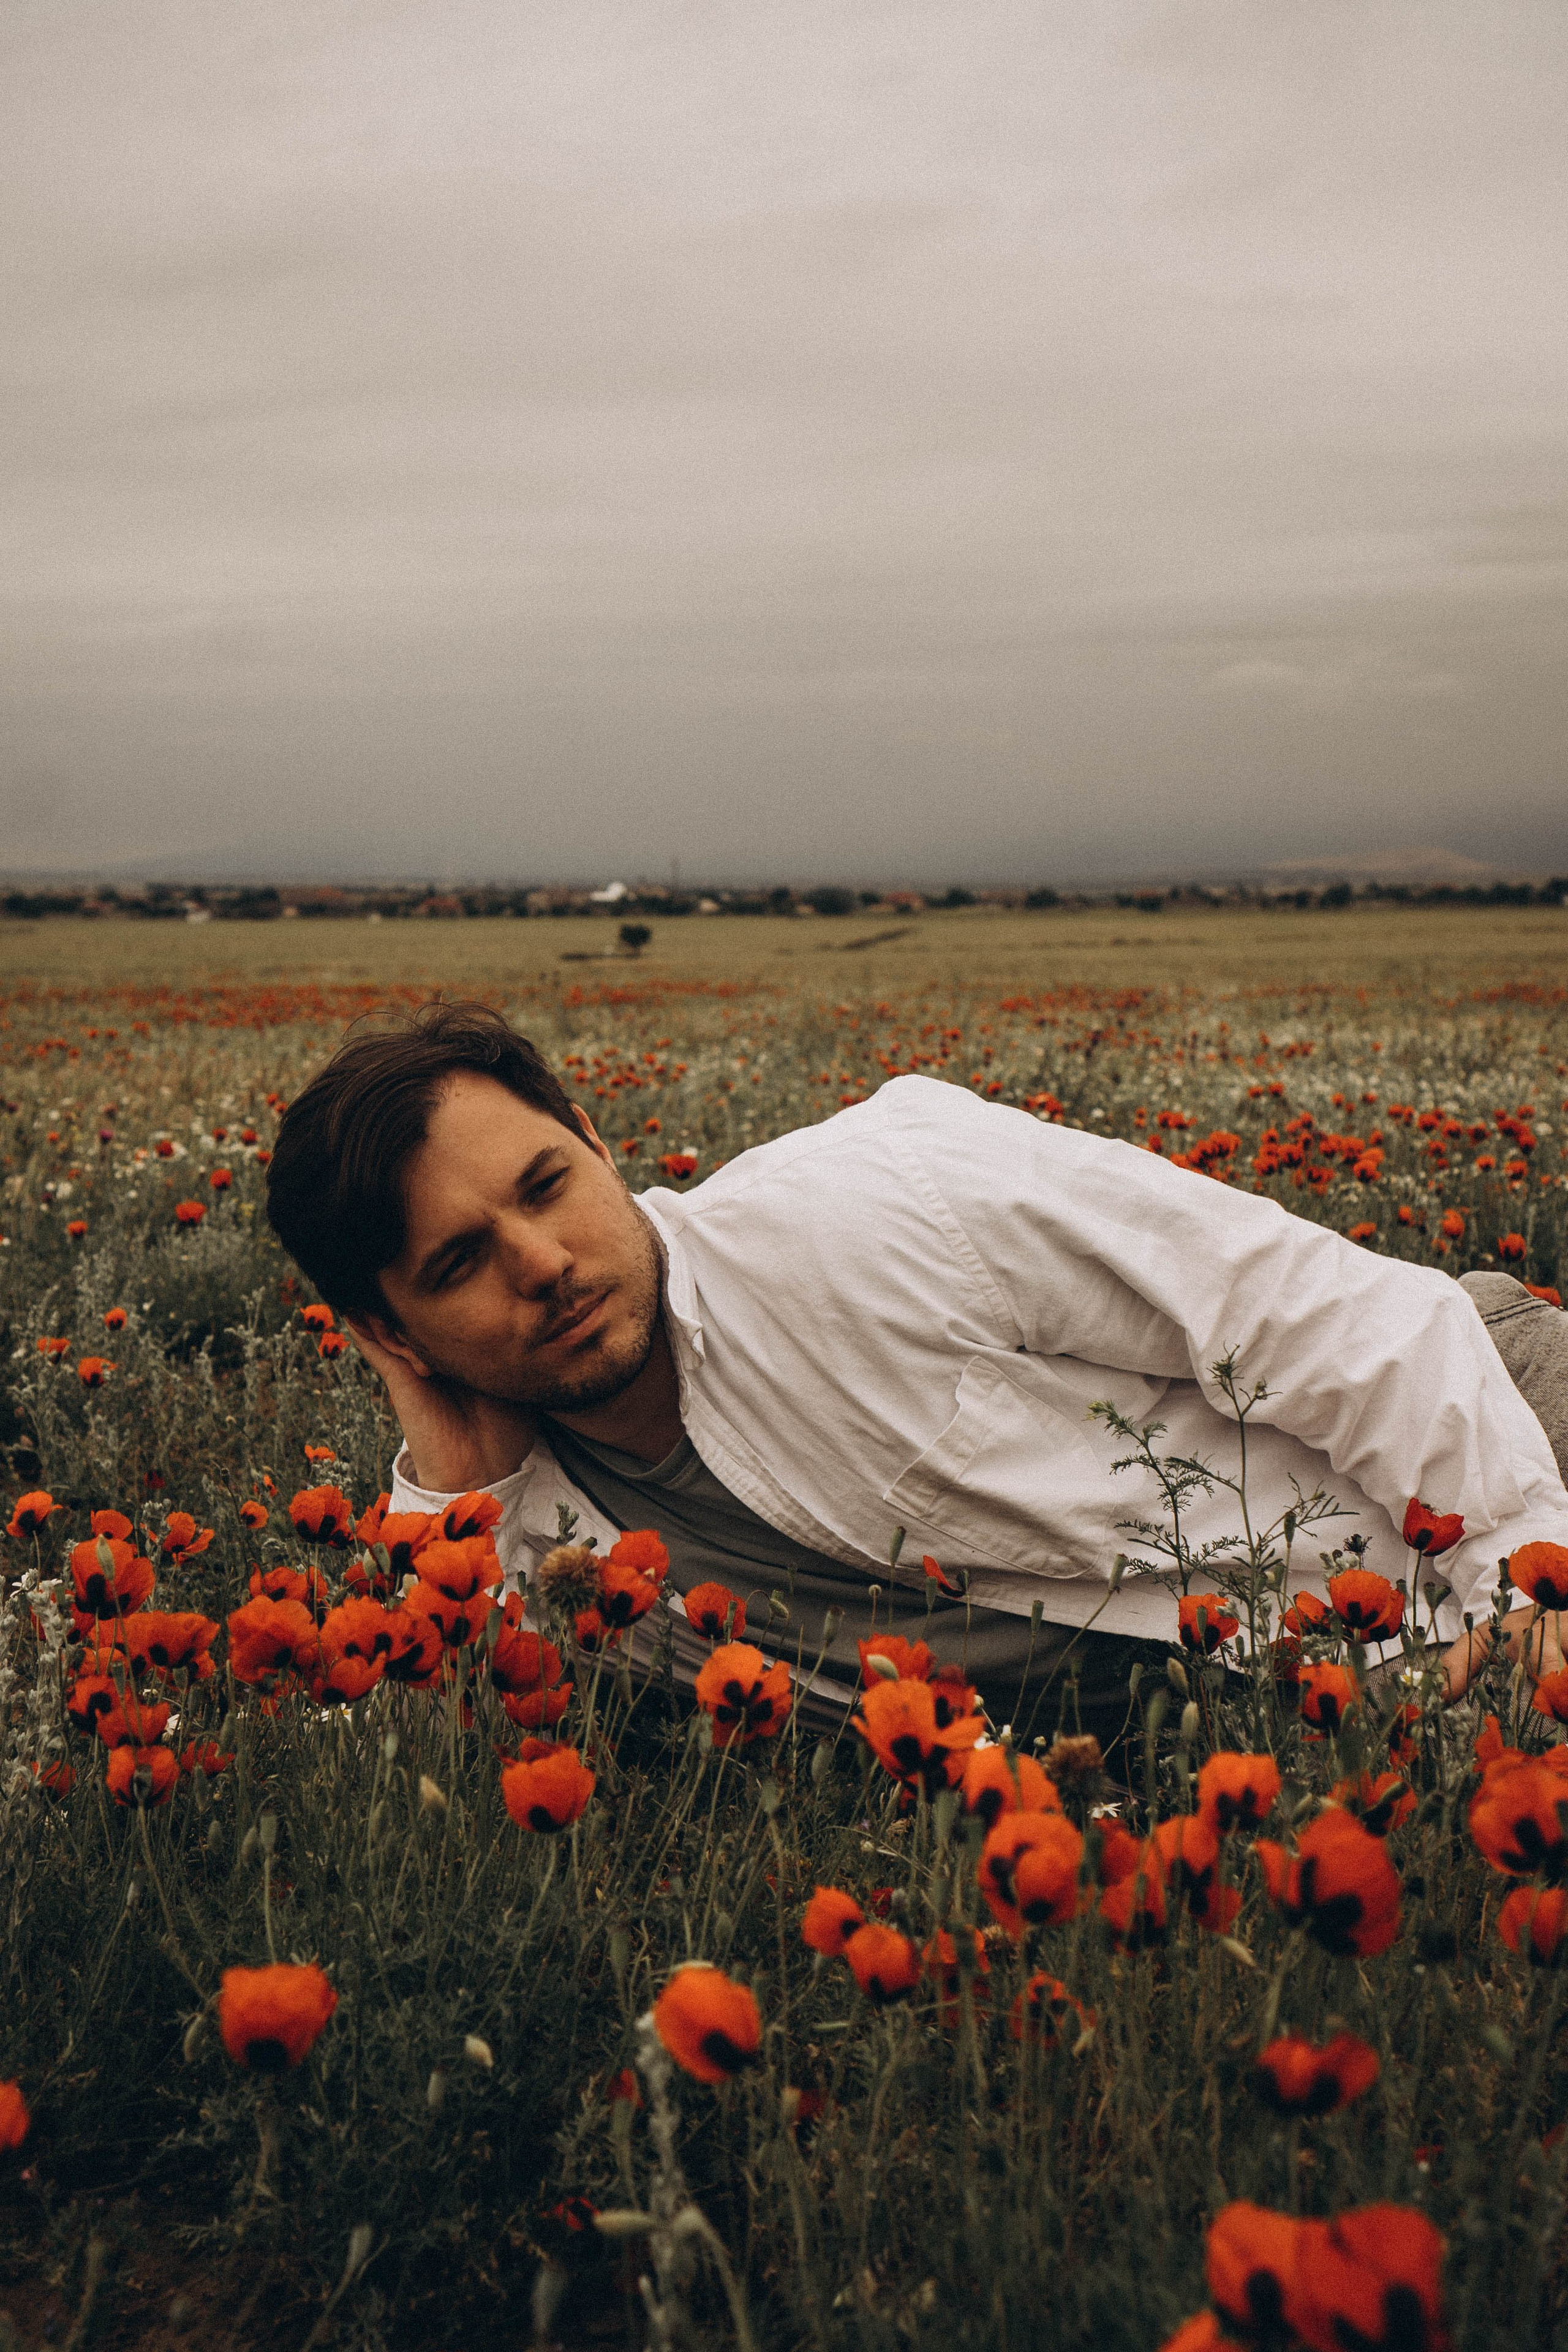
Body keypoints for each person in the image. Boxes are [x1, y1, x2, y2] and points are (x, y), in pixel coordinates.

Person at [265, 1001, 1568, 1748]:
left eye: (547, 1185)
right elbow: (427, 1777)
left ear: (599, 1142)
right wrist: (451, 1493)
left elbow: (1299, 1312)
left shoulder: (879, 1197)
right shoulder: (543, 1541)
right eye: (456, 1267)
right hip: (1296, 1684)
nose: (542, 1263)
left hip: (1477, 1438)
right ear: (388, 1332)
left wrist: (1522, 1569)